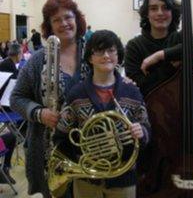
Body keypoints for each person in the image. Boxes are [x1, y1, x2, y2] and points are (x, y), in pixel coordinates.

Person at [55, 29, 151, 198]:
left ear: (118, 55)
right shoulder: (76, 94)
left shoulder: (132, 92)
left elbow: (147, 128)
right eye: (99, 51)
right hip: (86, 179)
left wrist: (141, 132)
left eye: (111, 50)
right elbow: (61, 135)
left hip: (124, 179)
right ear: (90, 58)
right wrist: (82, 163)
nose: (106, 56)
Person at [10, 0, 89, 198]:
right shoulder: (37, 61)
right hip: (49, 149)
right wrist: (38, 113)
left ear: (77, 19)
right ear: (49, 26)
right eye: (56, 20)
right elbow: (16, 97)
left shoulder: (93, 53)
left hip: (89, 147)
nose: (64, 23)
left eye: (68, 17)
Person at [125, 0, 193, 97]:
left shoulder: (181, 37)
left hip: (183, 100)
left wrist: (160, 55)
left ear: (173, 12)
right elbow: (140, 86)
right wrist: (170, 66)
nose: (160, 13)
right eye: (154, 8)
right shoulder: (134, 45)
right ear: (147, 14)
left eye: (166, 8)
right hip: (150, 108)